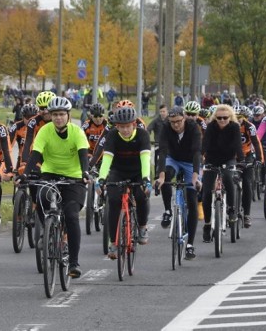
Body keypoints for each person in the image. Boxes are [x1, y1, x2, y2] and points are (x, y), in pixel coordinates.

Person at [19, 96, 90, 278]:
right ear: (50, 116)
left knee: (72, 215)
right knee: (41, 198)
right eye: (55, 115)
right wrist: (25, 173)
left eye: (61, 114)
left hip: (74, 178)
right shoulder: (44, 131)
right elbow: (36, 154)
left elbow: (83, 154)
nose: (58, 118)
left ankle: (73, 262)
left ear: (68, 115)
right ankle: (49, 229)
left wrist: (84, 173)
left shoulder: (77, 132)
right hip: (50, 174)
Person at [96, 106, 152, 258]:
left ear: (134, 124)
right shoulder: (113, 136)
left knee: (141, 196)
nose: (125, 130)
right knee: (113, 201)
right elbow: (106, 160)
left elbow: (145, 159)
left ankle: (142, 226)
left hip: (139, 171)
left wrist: (146, 179)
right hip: (118, 171)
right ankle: (114, 243)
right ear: (116, 126)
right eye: (121, 127)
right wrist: (101, 179)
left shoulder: (142, 134)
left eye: (128, 126)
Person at [155, 107, 202, 259]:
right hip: (173, 159)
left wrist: (195, 176)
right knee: (166, 177)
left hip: (190, 162)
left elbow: (196, 152)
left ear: (184, 118)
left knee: (192, 200)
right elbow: (162, 151)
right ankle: (168, 210)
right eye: (172, 122)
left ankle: (190, 245)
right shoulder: (165, 127)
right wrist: (161, 177)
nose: (176, 125)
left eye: (178, 122)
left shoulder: (193, 127)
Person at [201, 104, 243, 243]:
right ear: (215, 118)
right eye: (219, 118)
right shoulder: (211, 127)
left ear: (230, 117)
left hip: (228, 159)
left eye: (225, 117)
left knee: (228, 178)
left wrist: (241, 160)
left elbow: (238, 144)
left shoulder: (234, 127)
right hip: (212, 159)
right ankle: (207, 225)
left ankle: (231, 209)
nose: (222, 120)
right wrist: (199, 157)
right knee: (206, 193)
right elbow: (205, 144)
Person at [234, 105, 264, 228]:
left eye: (239, 118)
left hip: (247, 156)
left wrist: (259, 159)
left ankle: (246, 215)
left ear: (245, 118)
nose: (237, 120)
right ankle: (228, 209)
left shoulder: (250, 127)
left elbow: (256, 143)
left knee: (247, 183)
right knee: (229, 180)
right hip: (232, 156)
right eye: (235, 117)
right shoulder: (228, 125)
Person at [9, 103, 39, 170]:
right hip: (22, 159)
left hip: (38, 157)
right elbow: (8, 145)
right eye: (28, 117)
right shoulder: (17, 126)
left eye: (33, 116)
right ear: (23, 117)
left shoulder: (41, 125)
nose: (31, 119)